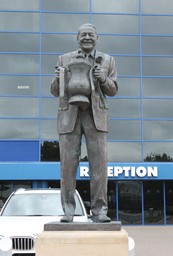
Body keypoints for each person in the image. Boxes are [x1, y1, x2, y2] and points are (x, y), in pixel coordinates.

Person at [51, 23, 118, 222]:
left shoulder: (108, 60)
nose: (87, 37)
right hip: (69, 115)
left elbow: (113, 90)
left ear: (97, 37)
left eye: (90, 34)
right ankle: (68, 211)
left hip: (95, 116)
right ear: (77, 37)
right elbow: (56, 91)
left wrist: (104, 78)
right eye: (83, 34)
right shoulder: (64, 59)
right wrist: (57, 79)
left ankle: (99, 212)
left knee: (99, 166)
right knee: (68, 166)